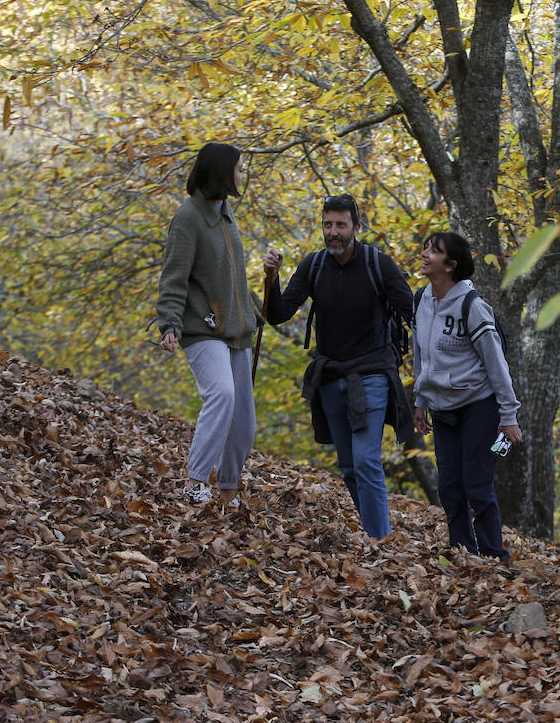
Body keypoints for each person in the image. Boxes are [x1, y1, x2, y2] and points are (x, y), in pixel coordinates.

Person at [262, 194, 414, 539]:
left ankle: (381, 542)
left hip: (373, 374)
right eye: (328, 224)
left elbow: (414, 314)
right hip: (330, 377)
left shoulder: (380, 264)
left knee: (365, 461)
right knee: (348, 466)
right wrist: (272, 279)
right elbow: (279, 314)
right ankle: (375, 533)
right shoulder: (313, 265)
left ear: (356, 228)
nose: (333, 232)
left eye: (341, 225)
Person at [154, 142, 260, 505]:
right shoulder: (188, 218)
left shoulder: (226, 213)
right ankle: (195, 482)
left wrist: (258, 309)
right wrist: (169, 323)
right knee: (222, 393)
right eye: (239, 168)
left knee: (244, 423)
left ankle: (228, 495)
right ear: (221, 172)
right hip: (201, 327)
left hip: (236, 329)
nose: (242, 175)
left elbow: (235, 277)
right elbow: (173, 278)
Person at [411, 231, 521, 559]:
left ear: (451, 265)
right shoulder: (420, 300)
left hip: (480, 405)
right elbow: (421, 356)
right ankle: (462, 552)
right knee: (449, 485)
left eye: (434, 251)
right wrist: (421, 400)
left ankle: (493, 556)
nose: (425, 254)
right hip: (443, 407)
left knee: (476, 483)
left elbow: (496, 365)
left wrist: (508, 416)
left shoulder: (473, 307)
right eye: (427, 248)